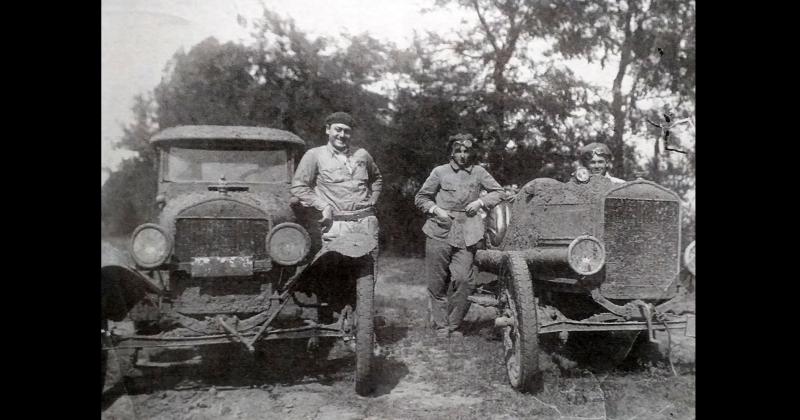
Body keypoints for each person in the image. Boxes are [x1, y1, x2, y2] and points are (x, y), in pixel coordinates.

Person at [415, 133, 504, 337]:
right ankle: (441, 326)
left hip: (469, 232)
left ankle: (454, 324)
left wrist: (480, 202)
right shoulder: (439, 172)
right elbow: (421, 197)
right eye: (458, 151)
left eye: (466, 151)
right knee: (436, 282)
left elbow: (499, 192)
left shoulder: (479, 172)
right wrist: (436, 210)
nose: (463, 155)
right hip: (439, 230)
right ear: (451, 152)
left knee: (465, 280)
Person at [291, 111, 382, 246]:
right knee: (337, 266)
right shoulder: (315, 155)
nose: (342, 135)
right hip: (336, 226)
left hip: (366, 224)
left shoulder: (362, 154)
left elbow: (376, 178)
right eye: (338, 130)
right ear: (328, 130)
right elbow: (299, 187)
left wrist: (374, 197)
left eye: (347, 131)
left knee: (368, 266)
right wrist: (323, 205)